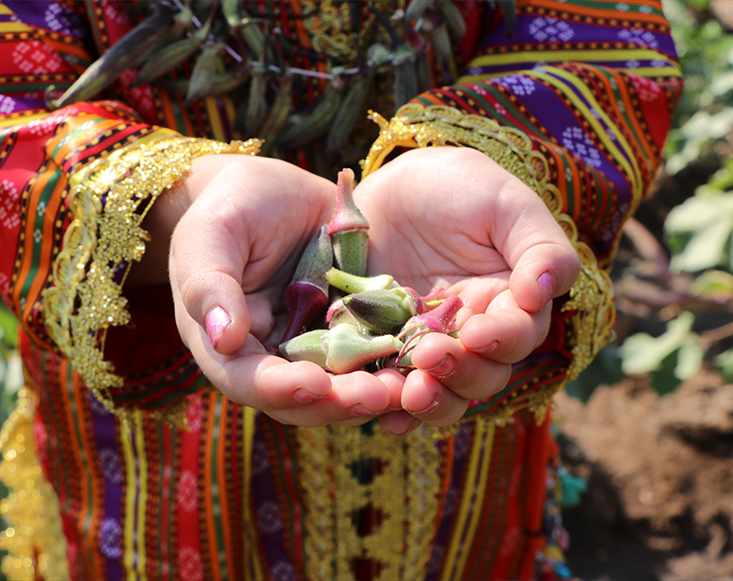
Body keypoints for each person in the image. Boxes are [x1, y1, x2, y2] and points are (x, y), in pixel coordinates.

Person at [0, 1, 682, 580]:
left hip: (460, 301)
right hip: (157, 407)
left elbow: (601, 38)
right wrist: (183, 205)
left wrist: (486, 153)